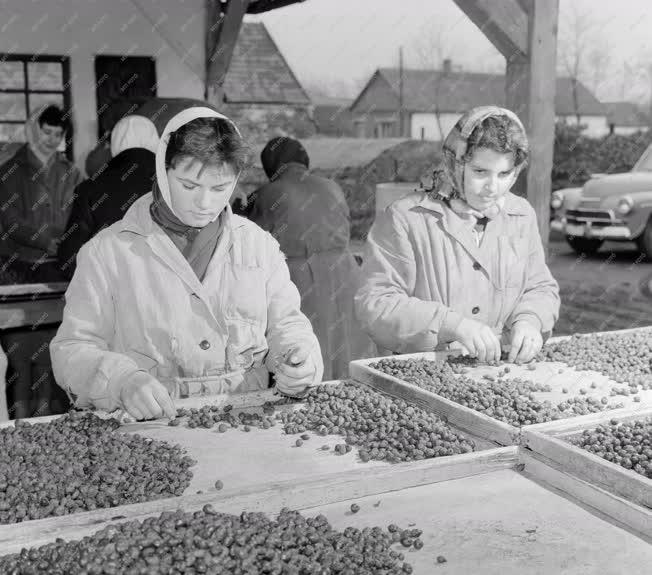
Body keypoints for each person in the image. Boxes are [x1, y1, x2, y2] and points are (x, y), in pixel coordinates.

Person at [50, 105, 323, 421]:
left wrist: (299, 360)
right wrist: (121, 381)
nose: (205, 203)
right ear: (163, 172)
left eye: (220, 188)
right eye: (189, 186)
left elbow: (288, 324)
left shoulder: (257, 246)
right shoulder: (107, 253)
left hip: (247, 425)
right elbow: (71, 350)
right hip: (150, 432)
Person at [355, 106, 560, 364]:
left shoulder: (521, 216)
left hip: (502, 371)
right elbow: (376, 304)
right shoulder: (406, 218)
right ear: (456, 163)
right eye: (480, 172)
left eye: (505, 174)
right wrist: (452, 325)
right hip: (427, 372)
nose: (492, 187)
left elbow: (539, 286)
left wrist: (531, 320)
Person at [251, 137, 376, 380]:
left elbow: (253, 243)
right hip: (346, 271)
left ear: (271, 165)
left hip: (299, 277)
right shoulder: (331, 185)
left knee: (311, 348)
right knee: (347, 341)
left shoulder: (267, 194)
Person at [58, 115, 159, 278]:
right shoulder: (175, 186)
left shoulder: (90, 189)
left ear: (114, 145)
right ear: (156, 141)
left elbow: (69, 260)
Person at [0, 105, 82, 277]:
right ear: (34, 130)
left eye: (58, 134)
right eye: (47, 132)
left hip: (64, 261)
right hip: (22, 263)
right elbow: (11, 222)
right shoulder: (10, 171)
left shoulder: (71, 172)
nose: (52, 139)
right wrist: (44, 242)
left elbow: (82, 214)